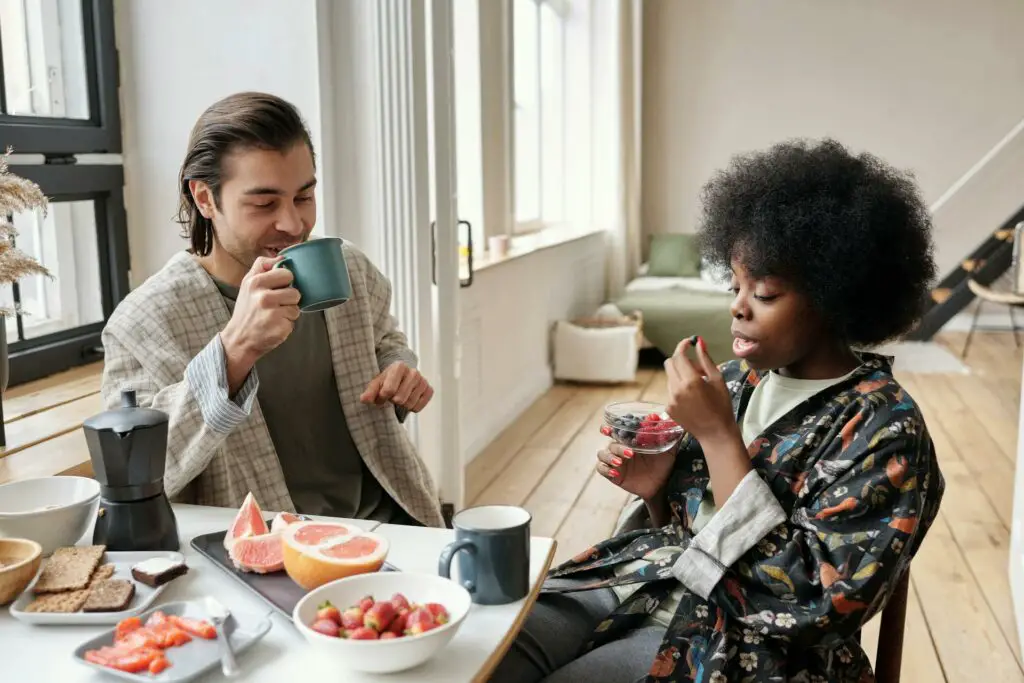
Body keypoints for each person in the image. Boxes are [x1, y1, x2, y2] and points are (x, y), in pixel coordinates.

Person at [491, 138, 945, 682]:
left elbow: (818, 606)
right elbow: (689, 531)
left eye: (767, 294)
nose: (737, 306)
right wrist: (657, 491)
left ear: (835, 295)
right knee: (482, 651)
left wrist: (718, 438)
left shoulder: (885, 428)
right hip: (650, 583)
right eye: (735, 285)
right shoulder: (734, 381)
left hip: (745, 647)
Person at [100, 92, 444, 528]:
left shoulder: (348, 268)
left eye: (303, 197)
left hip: (394, 524)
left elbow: (384, 340)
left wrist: (399, 371)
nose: (294, 224)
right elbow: (131, 474)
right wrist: (234, 351)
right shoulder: (144, 321)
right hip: (261, 555)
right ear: (205, 199)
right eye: (264, 204)